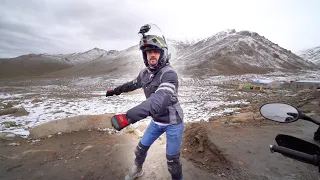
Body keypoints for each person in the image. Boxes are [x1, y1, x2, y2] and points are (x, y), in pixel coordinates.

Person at [105, 24, 184, 180]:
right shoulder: (145, 73)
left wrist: (128, 117)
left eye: (155, 51)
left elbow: (159, 100)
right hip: (157, 120)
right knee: (140, 149)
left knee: (172, 161)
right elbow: (132, 84)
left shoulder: (169, 74)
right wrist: (115, 91)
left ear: (163, 54)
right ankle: (138, 170)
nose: (152, 55)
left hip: (173, 122)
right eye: (148, 52)